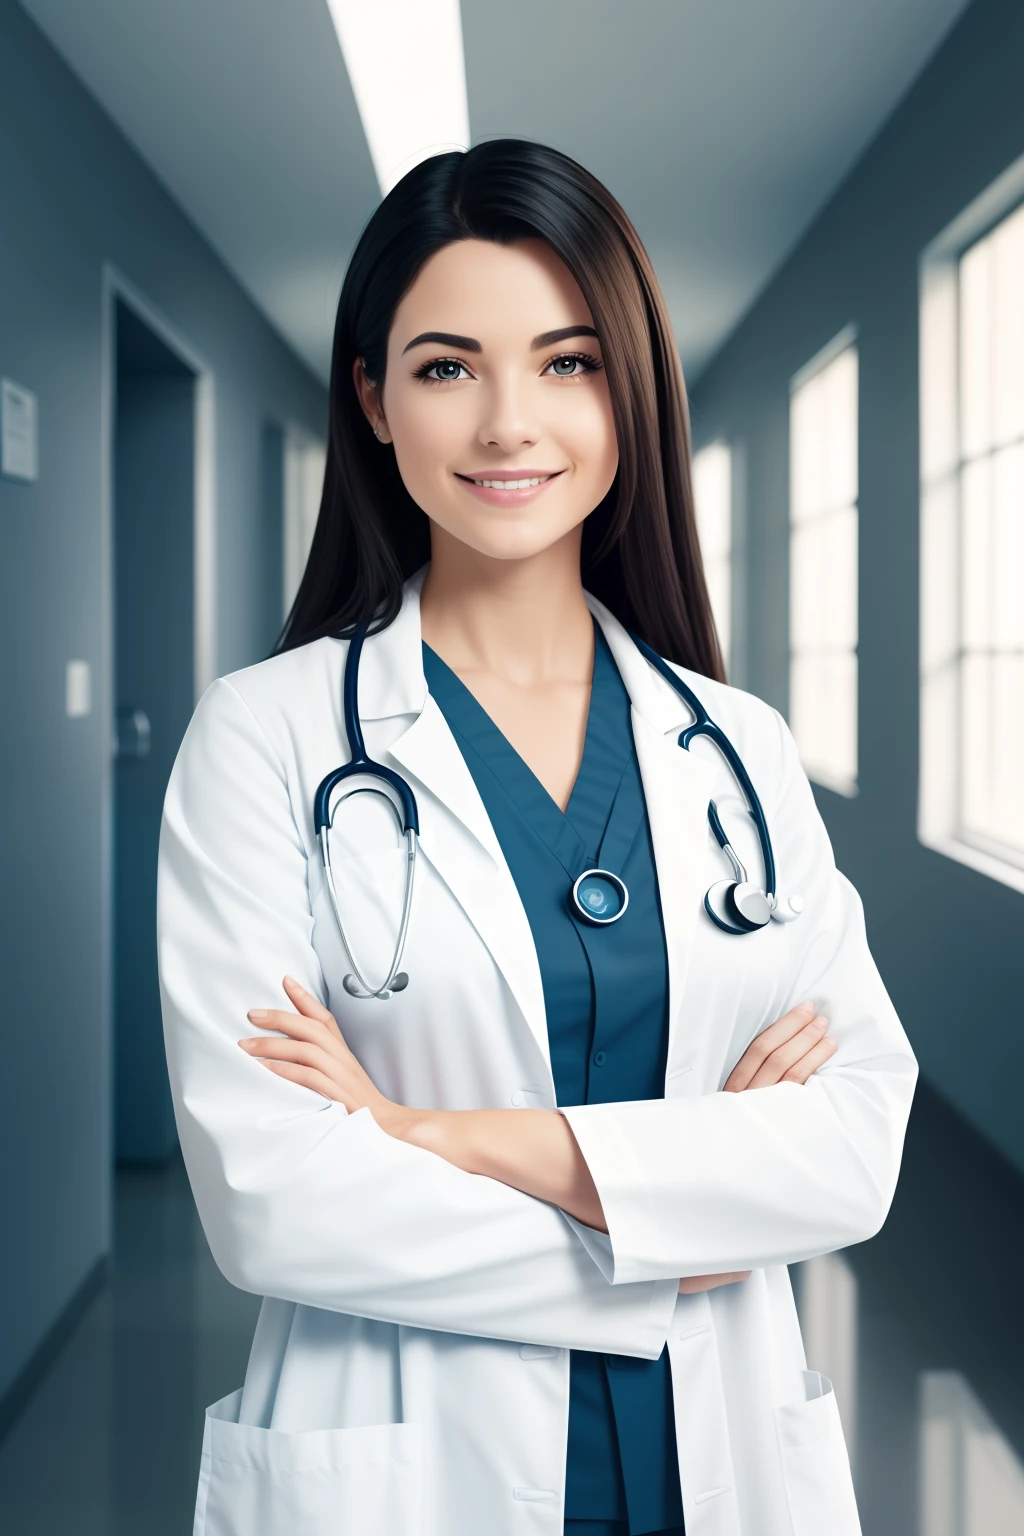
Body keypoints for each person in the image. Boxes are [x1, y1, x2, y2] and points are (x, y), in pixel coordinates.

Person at [158, 139, 917, 1536]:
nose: (511, 421)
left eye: (567, 362)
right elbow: (274, 1197)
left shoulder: (734, 748)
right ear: (374, 402)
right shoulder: (266, 737)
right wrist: (678, 1222)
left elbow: (855, 1142)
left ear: (630, 396)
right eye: (449, 367)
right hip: (402, 1467)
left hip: (719, 1456)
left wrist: (419, 1131)